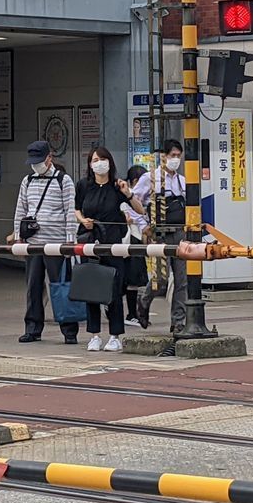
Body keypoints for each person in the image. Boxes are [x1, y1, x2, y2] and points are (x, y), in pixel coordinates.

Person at [74, 147, 142, 351]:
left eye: (103, 159)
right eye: (95, 159)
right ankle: (94, 335)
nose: (99, 163)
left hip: (112, 242)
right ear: (90, 163)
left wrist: (128, 193)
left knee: (113, 288)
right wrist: (82, 220)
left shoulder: (116, 186)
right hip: (90, 240)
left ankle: (115, 335)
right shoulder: (83, 185)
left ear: (110, 162)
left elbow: (140, 210)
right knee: (91, 288)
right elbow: (77, 208)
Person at [12, 140, 78, 344]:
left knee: (61, 285)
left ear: (49, 158)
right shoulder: (28, 181)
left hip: (57, 243)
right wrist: (18, 236)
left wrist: (70, 242)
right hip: (33, 242)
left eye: (39, 161)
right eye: (33, 161)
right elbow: (20, 209)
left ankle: (69, 330)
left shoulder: (63, 180)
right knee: (33, 286)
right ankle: (32, 328)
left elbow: (70, 212)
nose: (35, 165)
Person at [136, 140, 187, 334]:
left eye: (178, 155)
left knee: (182, 280)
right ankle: (144, 299)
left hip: (181, 233)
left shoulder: (183, 181)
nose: (176, 159)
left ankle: (178, 321)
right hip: (160, 234)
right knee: (161, 279)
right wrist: (144, 225)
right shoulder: (150, 178)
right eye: (172, 155)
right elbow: (132, 203)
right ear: (163, 156)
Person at [122, 164, 150, 324]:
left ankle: (135, 313)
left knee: (135, 280)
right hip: (129, 239)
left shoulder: (138, 198)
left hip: (137, 238)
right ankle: (132, 314)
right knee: (131, 279)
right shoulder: (126, 196)